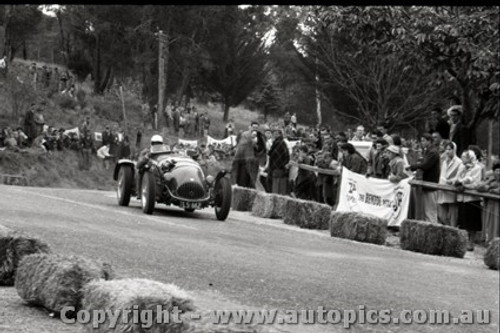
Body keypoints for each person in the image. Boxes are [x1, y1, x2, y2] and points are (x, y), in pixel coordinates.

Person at [455, 150, 483, 251]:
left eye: (464, 157)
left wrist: (464, 185)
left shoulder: (477, 168)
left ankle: (471, 243)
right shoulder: (461, 167)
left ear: (469, 158)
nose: (462, 159)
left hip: (472, 198)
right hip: (462, 198)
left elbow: (476, 182)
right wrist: (460, 180)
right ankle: (464, 242)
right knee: (463, 220)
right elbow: (457, 178)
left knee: (472, 222)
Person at [409, 134, 440, 223]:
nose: (422, 143)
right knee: (426, 211)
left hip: (431, 184)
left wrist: (413, 166)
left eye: (424, 140)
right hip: (426, 183)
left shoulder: (433, 152)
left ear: (429, 141)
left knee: (430, 211)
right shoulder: (427, 151)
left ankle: (433, 229)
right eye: (421, 140)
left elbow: (426, 165)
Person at [437, 141, 462, 226]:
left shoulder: (459, 162)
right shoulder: (444, 162)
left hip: (452, 192)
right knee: (441, 215)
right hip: (442, 190)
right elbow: (442, 175)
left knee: (453, 217)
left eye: (450, 149)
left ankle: (453, 231)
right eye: (446, 149)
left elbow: (459, 176)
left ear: (454, 150)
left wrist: (452, 181)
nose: (447, 151)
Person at [478, 161, 500, 243]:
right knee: (490, 224)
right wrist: (488, 184)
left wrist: (493, 190)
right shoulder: (491, 180)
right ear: (493, 172)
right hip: (490, 206)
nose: (498, 173)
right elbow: (480, 187)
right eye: (497, 170)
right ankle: (490, 241)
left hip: (498, 206)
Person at [266, 128, 290, 195]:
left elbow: (273, 154)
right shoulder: (279, 142)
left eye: (276, 133)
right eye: (274, 133)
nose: (274, 135)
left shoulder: (279, 143)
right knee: (275, 186)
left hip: (278, 168)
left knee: (275, 187)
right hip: (278, 167)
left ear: (280, 134)